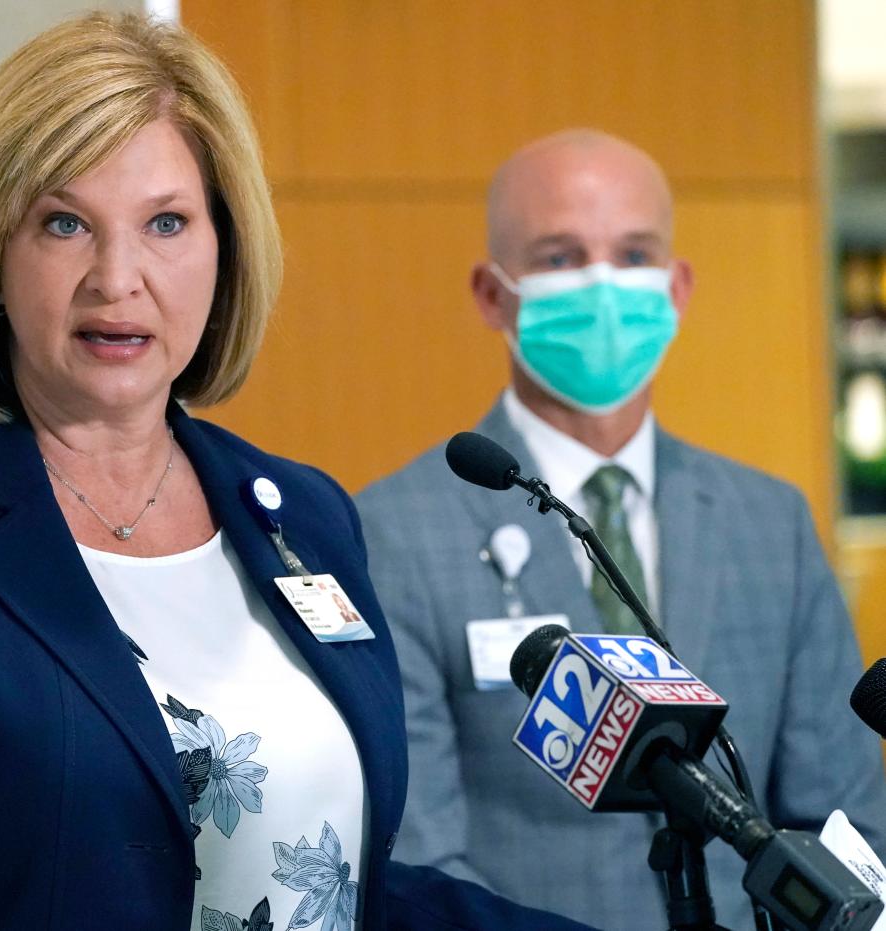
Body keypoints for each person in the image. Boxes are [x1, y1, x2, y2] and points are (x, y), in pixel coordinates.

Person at [0, 15, 597, 931]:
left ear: (225, 248)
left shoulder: (303, 513)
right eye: (65, 224)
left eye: (167, 223)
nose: (117, 277)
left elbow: (347, 883)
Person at [354, 128, 886, 930]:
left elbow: (842, 821)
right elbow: (421, 859)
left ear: (676, 288)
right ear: (492, 293)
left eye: (634, 254)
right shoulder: (394, 530)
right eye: (561, 257)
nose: (603, 285)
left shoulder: (768, 522)